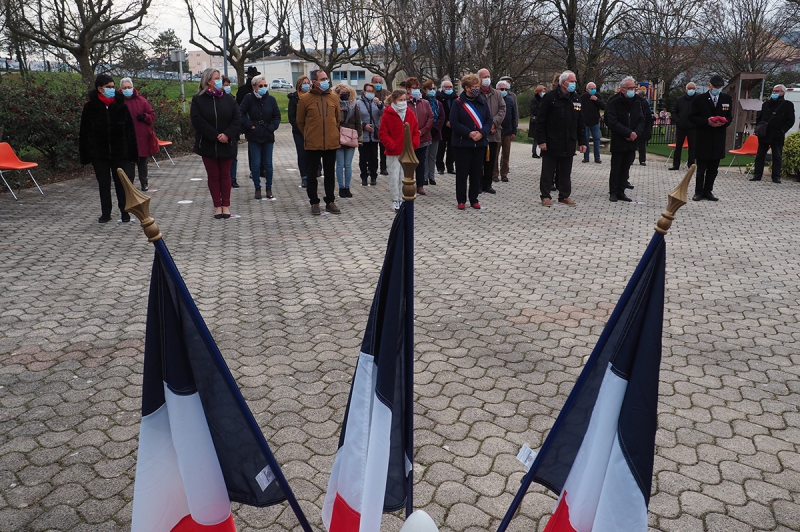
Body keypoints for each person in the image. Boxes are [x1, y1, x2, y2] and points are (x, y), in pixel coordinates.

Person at [79, 74, 138, 223]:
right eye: (108, 87)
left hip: (119, 152)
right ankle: (106, 213)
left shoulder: (120, 105)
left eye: (113, 87)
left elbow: (129, 130)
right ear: (100, 89)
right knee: (104, 183)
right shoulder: (90, 107)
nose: (112, 90)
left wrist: (132, 153)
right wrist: (85, 154)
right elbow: (84, 131)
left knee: (121, 183)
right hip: (99, 153)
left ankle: (125, 212)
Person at [190, 68, 241, 218]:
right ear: (208, 81)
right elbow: (197, 120)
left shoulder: (228, 98)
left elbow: (237, 118)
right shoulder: (198, 99)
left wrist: (227, 134)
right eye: (216, 78)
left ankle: (226, 205)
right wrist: (215, 135)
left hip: (227, 143)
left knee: (226, 176)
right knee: (213, 176)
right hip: (208, 143)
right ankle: (217, 206)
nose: (219, 81)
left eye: (219, 78)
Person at [536, 70, 587, 206]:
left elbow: (580, 122)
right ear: (563, 83)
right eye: (572, 81)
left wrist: (582, 141)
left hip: (568, 141)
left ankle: (564, 195)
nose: (574, 84)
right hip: (552, 140)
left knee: (565, 171)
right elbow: (541, 120)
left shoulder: (576, 98)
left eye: (575, 81)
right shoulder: (550, 97)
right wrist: (541, 140)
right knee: (548, 171)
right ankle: (545, 196)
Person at [296, 69, 342, 215]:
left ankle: (330, 201)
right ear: (314, 82)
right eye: (322, 79)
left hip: (331, 142)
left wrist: (332, 132)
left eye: (326, 78)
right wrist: (309, 134)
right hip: (312, 144)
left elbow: (337, 118)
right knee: (312, 175)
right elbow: (300, 121)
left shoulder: (333, 97)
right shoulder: (305, 99)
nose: (325, 81)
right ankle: (314, 202)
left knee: (329, 173)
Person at [449, 73, 492, 210]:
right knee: (462, 173)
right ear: (467, 88)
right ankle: (461, 200)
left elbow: (488, 120)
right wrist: (469, 133)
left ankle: (474, 198)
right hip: (462, 144)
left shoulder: (482, 102)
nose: (477, 89)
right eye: (474, 86)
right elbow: (454, 123)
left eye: (478, 86)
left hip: (479, 143)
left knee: (476, 173)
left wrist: (482, 133)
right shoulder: (458, 103)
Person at [689, 74, 733, 201]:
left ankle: (708, 191)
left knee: (713, 169)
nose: (717, 89)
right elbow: (692, 117)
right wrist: (706, 121)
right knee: (701, 168)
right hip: (704, 138)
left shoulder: (726, 99)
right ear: (709, 85)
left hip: (718, 138)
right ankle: (698, 192)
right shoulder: (699, 99)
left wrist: (725, 122)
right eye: (715, 87)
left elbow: (730, 116)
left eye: (720, 87)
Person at [239, 75, 281, 200]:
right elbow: (240, 113)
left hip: (267, 134)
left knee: (268, 163)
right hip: (254, 135)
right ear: (254, 87)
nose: (263, 88)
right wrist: (250, 125)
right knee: (256, 163)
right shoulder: (249, 98)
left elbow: (277, 116)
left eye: (265, 85)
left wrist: (271, 127)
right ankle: (257, 187)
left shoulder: (271, 99)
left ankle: (269, 187)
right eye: (260, 86)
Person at [378, 90, 420, 212]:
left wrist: (413, 145)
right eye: (400, 100)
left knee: (406, 176)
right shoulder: (387, 114)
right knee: (394, 176)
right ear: (394, 100)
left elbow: (416, 131)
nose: (403, 102)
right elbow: (383, 133)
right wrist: (392, 145)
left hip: (408, 152)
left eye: (404, 100)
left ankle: (404, 199)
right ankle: (395, 199)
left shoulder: (410, 114)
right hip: (394, 152)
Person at [605, 77, 644, 202]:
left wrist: (635, 133)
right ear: (622, 89)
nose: (633, 90)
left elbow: (641, 119)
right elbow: (612, 121)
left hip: (632, 141)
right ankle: (613, 192)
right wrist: (627, 133)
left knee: (626, 167)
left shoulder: (637, 101)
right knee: (616, 167)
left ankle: (621, 191)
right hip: (619, 140)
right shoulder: (614, 102)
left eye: (634, 88)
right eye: (630, 88)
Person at [750, 84, 796, 183]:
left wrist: (782, 130)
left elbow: (790, 120)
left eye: (777, 91)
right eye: (774, 91)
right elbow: (760, 117)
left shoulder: (787, 105)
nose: (774, 93)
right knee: (760, 156)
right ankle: (757, 175)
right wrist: (759, 128)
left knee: (777, 156)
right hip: (765, 134)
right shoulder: (766, 104)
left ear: (783, 93)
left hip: (777, 134)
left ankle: (776, 176)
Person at [119, 77, 156, 192]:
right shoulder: (118, 101)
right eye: (124, 88)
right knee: (129, 164)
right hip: (126, 137)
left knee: (142, 163)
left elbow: (152, 115)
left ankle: (144, 183)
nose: (127, 89)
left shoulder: (142, 101)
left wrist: (145, 117)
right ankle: (129, 185)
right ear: (120, 89)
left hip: (141, 137)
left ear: (133, 87)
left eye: (129, 87)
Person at [478, 68, 506, 193]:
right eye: (484, 76)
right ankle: (478, 184)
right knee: (479, 161)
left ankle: (487, 185)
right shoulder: (476, 94)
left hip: (494, 133)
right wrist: (485, 127)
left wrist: (494, 123)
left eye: (488, 76)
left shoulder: (497, 94)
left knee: (491, 160)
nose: (487, 79)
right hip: (480, 133)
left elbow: (502, 109)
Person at [405, 77, 433, 196]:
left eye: (418, 88)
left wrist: (423, 131)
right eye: (414, 88)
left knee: (421, 162)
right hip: (409, 138)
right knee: (410, 162)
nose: (416, 90)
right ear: (408, 89)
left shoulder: (425, 103)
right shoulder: (404, 103)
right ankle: (408, 183)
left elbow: (430, 118)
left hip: (423, 137)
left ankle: (420, 185)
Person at [334, 83, 362, 198]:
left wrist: (358, 137)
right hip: (338, 137)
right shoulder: (335, 105)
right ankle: (341, 187)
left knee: (348, 165)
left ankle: (347, 187)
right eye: (342, 93)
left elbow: (358, 121)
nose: (345, 95)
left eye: (347, 93)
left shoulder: (353, 105)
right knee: (340, 164)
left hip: (350, 136)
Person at [356, 81, 384, 187]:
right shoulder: (358, 103)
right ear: (364, 92)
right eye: (368, 91)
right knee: (363, 157)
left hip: (374, 135)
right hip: (363, 135)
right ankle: (363, 177)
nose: (371, 93)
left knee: (374, 157)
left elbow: (383, 114)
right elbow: (356, 118)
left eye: (372, 91)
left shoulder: (377, 102)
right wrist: (364, 126)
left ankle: (373, 176)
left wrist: (380, 105)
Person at [288, 75, 312, 188]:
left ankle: (312, 173)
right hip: (298, 131)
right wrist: (300, 128)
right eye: (304, 83)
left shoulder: (312, 96)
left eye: (308, 83)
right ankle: (304, 176)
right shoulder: (294, 98)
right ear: (299, 85)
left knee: (311, 153)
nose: (306, 85)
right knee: (302, 153)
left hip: (311, 131)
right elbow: (291, 116)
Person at [422, 78, 445, 186]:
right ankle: (424, 176)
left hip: (436, 132)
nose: (432, 90)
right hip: (425, 132)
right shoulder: (423, 102)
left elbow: (442, 117)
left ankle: (432, 176)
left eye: (433, 88)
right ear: (424, 90)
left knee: (433, 155)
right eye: (429, 89)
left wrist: (436, 128)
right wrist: (427, 128)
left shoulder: (438, 103)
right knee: (425, 156)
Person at [669, 82, 697, 170]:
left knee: (692, 147)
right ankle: (676, 164)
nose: (691, 90)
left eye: (693, 88)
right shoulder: (680, 100)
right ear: (686, 89)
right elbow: (674, 111)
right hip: (681, 126)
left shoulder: (698, 100)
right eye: (689, 88)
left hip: (693, 127)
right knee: (678, 146)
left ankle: (691, 165)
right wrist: (678, 121)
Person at [496, 80, 517, 182]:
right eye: (501, 89)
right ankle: (494, 174)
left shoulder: (510, 100)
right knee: (495, 154)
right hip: (497, 131)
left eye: (506, 89)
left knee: (506, 154)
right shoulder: (495, 99)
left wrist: (514, 131)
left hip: (508, 131)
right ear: (497, 89)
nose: (504, 91)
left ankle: (504, 173)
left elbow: (514, 116)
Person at [436, 77, 458, 174]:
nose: (448, 89)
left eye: (450, 87)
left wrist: (452, 122)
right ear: (442, 88)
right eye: (446, 87)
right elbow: (438, 112)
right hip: (442, 126)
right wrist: (445, 121)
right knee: (440, 148)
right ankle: (440, 167)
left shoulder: (456, 98)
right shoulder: (438, 98)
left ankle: (450, 167)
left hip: (453, 126)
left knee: (451, 148)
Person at [221, 76, 240, 189]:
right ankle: (225, 177)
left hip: (232, 134)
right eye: (225, 85)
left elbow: (237, 117)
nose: (227, 87)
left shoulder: (232, 99)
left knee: (234, 157)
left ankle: (233, 178)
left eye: (229, 85)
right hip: (221, 134)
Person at [580, 81, 605, 164]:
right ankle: (586, 157)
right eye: (591, 88)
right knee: (586, 140)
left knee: (597, 139)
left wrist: (597, 100)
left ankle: (597, 157)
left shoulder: (597, 96)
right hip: (585, 122)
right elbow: (580, 109)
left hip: (595, 122)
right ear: (587, 89)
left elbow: (604, 106)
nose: (593, 90)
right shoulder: (583, 97)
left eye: (594, 88)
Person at [372, 75, 390, 176]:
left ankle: (384, 167)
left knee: (384, 149)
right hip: (373, 124)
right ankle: (373, 168)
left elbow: (390, 104)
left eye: (380, 82)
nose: (378, 84)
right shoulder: (369, 93)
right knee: (373, 151)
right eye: (376, 82)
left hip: (384, 125)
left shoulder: (386, 93)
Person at [637, 89, 654, 165]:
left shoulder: (644, 103)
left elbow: (647, 116)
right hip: (637, 125)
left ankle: (642, 159)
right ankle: (639, 159)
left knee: (641, 144)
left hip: (642, 127)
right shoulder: (637, 103)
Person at [529, 85, 546, 158]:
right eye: (542, 91)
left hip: (543, 120)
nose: (544, 93)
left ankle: (543, 152)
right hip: (535, 120)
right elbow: (534, 110)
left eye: (544, 91)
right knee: (536, 138)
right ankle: (534, 152)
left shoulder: (545, 100)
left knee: (543, 136)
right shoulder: (534, 100)